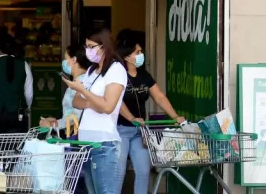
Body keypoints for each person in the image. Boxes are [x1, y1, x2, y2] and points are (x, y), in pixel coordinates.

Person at [115, 29, 185, 194]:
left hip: (140, 131)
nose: (141, 55)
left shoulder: (144, 76)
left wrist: (175, 116)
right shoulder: (117, 75)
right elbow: (116, 101)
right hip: (120, 130)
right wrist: (131, 117)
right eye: (137, 52)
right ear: (126, 56)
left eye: (141, 52)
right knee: (118, 172)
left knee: (144, 171)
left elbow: (159, 96)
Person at [63, 28, 127, 194]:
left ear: (104, 46)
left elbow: (107, 107)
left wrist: (85, 93)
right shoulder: (91, 71)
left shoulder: (116, 69)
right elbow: (76, 102)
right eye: (86, 46)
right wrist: (94, 103)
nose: (88, 51)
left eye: (91, 46)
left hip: (103, 144)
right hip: (86, 143)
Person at [40, 45, 91, 194]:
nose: (64, 62)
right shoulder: (84, 81)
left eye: (66, 58)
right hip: (77, 136)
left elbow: (75, 118)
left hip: (76, 138)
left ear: (74, 60)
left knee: (76, 182)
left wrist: (52, 124)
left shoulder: (78, 85)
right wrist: (55, 120)